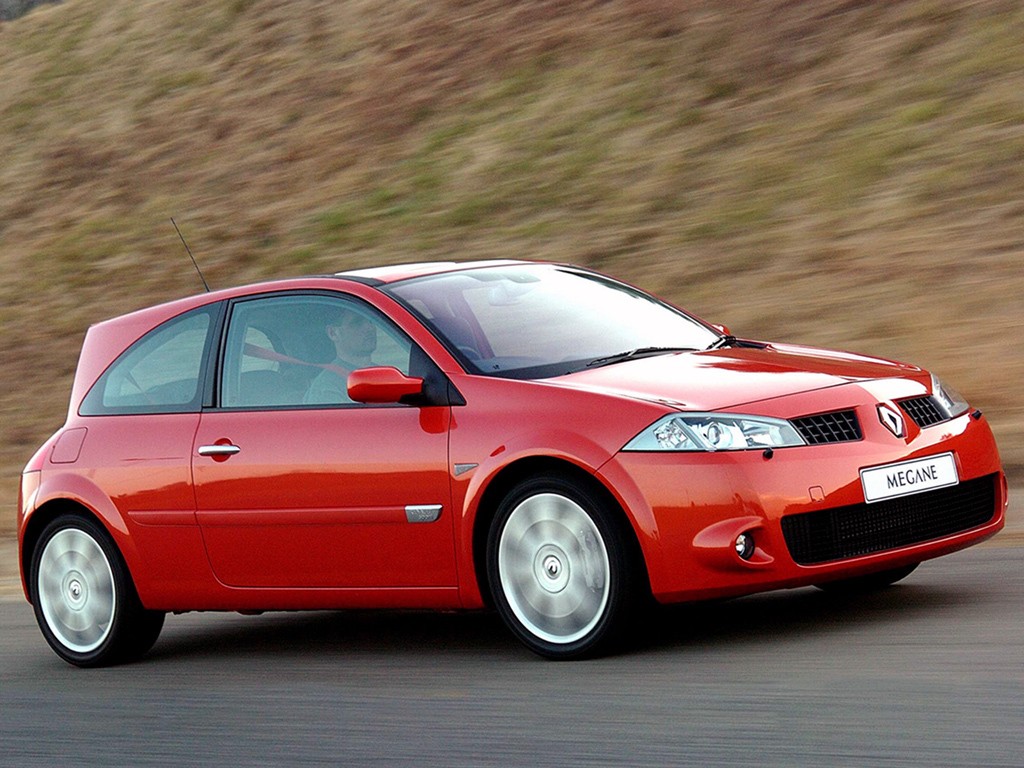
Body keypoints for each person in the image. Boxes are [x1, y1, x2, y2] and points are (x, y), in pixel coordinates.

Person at [304, 305, 378, 404]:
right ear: (333, 333)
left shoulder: (384, 374)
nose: (370, 328)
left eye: (370, 321)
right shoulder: (327, 388)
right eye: (356, 323)